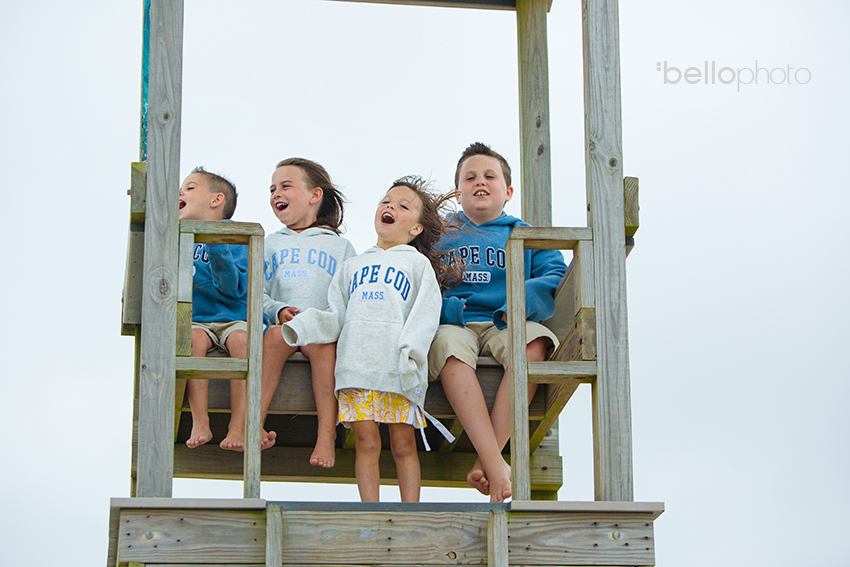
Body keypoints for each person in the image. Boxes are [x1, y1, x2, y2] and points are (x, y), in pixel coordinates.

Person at [281, 176, 460, 502]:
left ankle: (410, 512)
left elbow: (425, 314)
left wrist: (412, 353)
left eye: (403, 206)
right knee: (366, 440)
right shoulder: (353, 265)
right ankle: (370, 510)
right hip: (356, 366)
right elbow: (334, 314)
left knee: (404, 443)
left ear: (416, 228)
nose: (389, 206)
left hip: (399, 368)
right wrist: (302, 326)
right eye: (386, 201)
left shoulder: (417, 265)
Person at [427, 142, 568, 503]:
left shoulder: (525, 233)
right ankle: (495, 464)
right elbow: (421, 279)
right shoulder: (439, 234)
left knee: (535, 343)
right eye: (470, 177)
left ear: (507, 191)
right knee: (446, 348)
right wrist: (446, 310)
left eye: (490, 176)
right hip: (455, 322)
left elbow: (554, 275)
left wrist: (515, 305)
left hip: (505, 321)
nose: (480, 182)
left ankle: (486, 458)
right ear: (458, 191)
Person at [258, 158, 357, 465]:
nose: (277, 193)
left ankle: (326, 434)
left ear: (315, 195)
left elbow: (348, 298)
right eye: (272, 188)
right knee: (273, 339)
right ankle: (252, 424)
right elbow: (255, 294)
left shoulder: (341, 248)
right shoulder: (267, 244)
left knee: (324, 348)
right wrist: (276, 311)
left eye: (286, 185)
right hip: (281, 328)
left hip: (321, 330)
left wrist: (325, 322)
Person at [178, 166, 272, 450]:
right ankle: (200, 420)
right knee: (191, 340)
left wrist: (217, 244)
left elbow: (232, 289)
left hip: (233, 317)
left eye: (190, 188)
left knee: (243, 342)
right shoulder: (178, 239)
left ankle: (238, 425)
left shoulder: (240, 239)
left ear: (216, 200)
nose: (181, 192)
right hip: (198, 319)